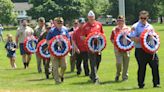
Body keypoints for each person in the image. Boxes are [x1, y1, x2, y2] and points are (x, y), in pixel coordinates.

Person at [130, 10, 160, 88]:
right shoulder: (135, 26)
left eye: (145, 18)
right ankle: (141, 84)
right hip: (140, 50)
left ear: (147, 17)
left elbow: (153, 37)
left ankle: (156, 83)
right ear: (139, 17)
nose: (143, 19)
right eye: (141, 18)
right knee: (142, 67)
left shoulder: (150, 26)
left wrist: (154, 47)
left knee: (155, 66)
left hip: (150, 50)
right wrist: (143, 39)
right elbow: (132, 38)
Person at [82, 10, 104, 84]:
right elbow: (82, 37)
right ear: (88, 18)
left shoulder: (99, 24)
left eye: (92, 17)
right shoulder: (85, 26)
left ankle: (92, 74)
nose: (91, 19)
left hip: (98, 46)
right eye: (90, 17)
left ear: (94, 17)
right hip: (90, 47)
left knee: (98, 60)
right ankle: (95, 78)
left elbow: (102, 34)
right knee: (92, 62)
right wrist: (89, 39)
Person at [46, 17, 70, 84]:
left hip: (63, 51)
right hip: (54, 51)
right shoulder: (52, 31)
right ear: (55, 23)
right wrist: (54, 43)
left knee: (64, 66)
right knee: (55, 67)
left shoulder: (65, 29)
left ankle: (61, 75)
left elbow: (68, 39)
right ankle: (57, 81)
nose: (60, 23)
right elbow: (47, 40)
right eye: (58, 22)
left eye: (61, 22)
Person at [110, 15, 130, 81]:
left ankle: (125, 77)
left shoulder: (128, 29)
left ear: (124, 21)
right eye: (118, 21)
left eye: (121, 21)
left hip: (126, 48)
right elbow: (112, 39)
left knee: (126, 63)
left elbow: (131, 38)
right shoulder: (114, 29)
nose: (120, 22)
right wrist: (116, 44)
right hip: (117, 49)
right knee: (119, 62)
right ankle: (118, 74)